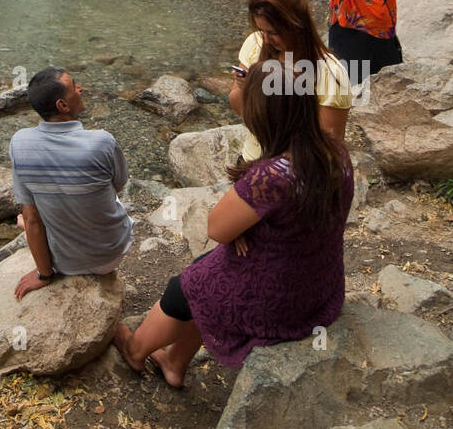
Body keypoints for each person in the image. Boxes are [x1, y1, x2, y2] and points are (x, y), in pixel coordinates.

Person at [113, 60, 354, 384]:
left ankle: (135, 350)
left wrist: (242, 226)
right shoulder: (333, 150)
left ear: (261, 115)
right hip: (319, 284)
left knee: (184, 287)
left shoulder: (271, 176)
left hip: (282, 300)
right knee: (209, 269)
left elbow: (217, 228)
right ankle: (173, 362)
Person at [8, 66, 134, 299]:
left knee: (27, 217)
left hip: (65, 263)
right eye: (74, 86)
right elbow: (119, 183)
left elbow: (33, 219)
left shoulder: (20, 143)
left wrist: (44, 275)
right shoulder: (102, 142)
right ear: (62, 106)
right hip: (112, 252)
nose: (80, 88)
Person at [229, 0, 353, 160]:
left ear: (296, 25)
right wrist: (246, 88)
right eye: (261, 30)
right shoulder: (255, 44)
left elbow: (329, 146)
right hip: (252, 159)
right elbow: (238, 107)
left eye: (273, 32)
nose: (266, 39)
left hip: (296, 172)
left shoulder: (330, 73)